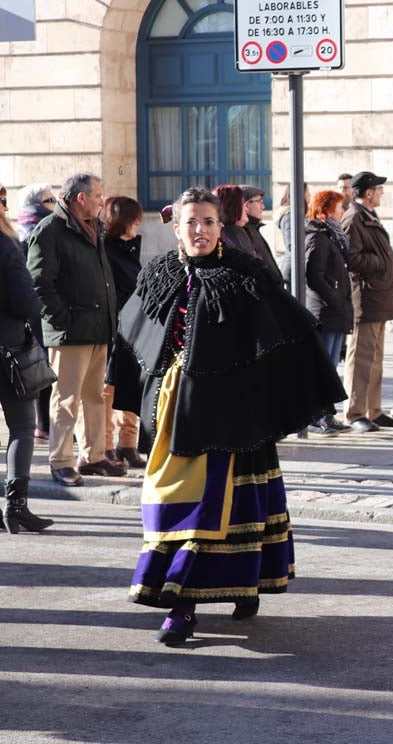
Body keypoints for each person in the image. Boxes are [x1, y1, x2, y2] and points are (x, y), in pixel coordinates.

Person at [109, 187, 345, 645]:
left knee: (215, 508)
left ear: (222, 227)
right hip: (172, 410)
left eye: (208, 222)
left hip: (232, 414)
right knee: (168, 504)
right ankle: (203, 592)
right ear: (175, 226)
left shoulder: (245, 274)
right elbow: (132, 331)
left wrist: (276, 396)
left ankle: (184, 604)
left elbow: (289, 332)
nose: (199, 230)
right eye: (190, 222)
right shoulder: (157, 274)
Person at [26, 172, 123, 486]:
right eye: (97, 195)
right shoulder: (50, 230)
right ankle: (61, 460)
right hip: (70, 331)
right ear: (81, 197)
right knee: (66, 398)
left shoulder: (94, 226)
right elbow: (39, 283)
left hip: (97, 327)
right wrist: (61, 319)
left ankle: (94, 457)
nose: (101, 200)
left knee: (94, 396)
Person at [0, 208, 54, 533]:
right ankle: (16, 506)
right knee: (22, 426)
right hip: (8, 348)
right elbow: (26, 303)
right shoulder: (6, 245)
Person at [342, 171, 393, 432]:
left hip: (379, 295)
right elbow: (351, 259)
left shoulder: (368, 215)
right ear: (368, 193)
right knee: (361, 358)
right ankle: (355, 413)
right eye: (378, 190)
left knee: (376, 358)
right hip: (365, 297)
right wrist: (380, 262)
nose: (381, 194)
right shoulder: (353, 218)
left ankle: (374, 410)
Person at [100, 196, 147, 469]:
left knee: (131, 385)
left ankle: (127, 444)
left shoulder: (129, 249)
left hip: (134, 327)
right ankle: (106, 446)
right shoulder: (106, 250)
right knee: (107, 389)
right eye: (134, 220)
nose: (138, 225)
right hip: (114, 328)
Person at [304, 190, 355, 435]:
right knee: (322, 367)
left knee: (332, 367)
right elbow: (314, 275)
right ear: (327, 209)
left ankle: (328, 413)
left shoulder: (333, 235)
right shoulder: (317, 236)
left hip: (336, 310)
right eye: (339, 207)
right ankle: (314, 416)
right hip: (324, 311)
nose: (342, 211)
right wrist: (334, 298)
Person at [16, 183, 57, 439]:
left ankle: (43, 424)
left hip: (37, 305)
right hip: (34, 307)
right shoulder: (33, 232)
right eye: (49, 199)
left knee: (42, 364)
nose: (54, 203)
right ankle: (42, 425)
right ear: (36, 205)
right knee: (39, 364)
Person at [239, 185, 285, 285]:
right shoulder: (243, 232)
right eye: (259, 201)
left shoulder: (252, 228)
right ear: (246, 205)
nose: (263, 207)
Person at [215, 185, 253, 254]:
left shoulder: (234, 232)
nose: (247, 209)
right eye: (243, 204)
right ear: (233, 207)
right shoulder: (229, 236)